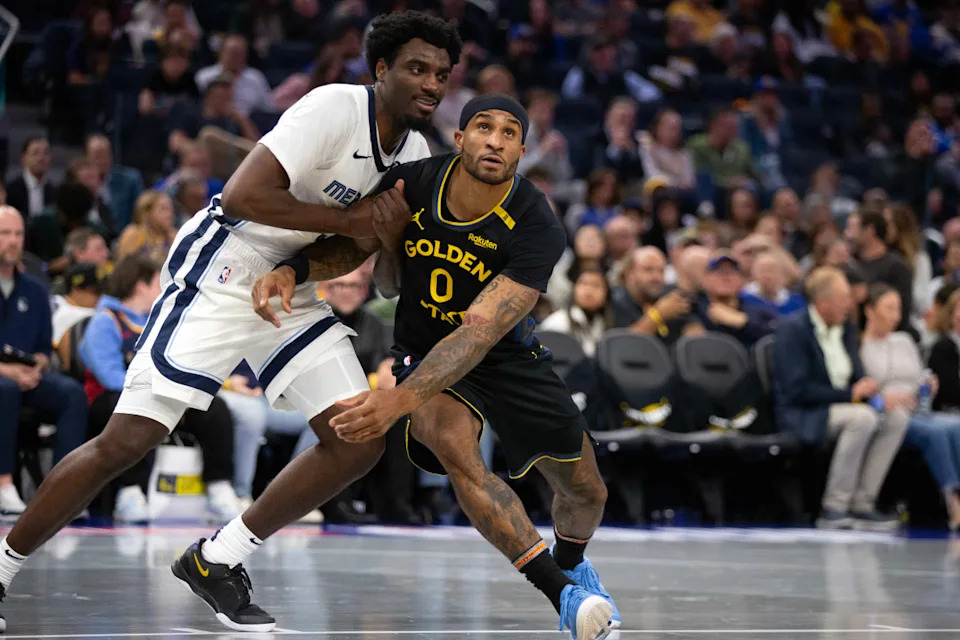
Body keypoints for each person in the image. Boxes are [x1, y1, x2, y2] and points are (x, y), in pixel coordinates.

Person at [0, 11, 462, 633]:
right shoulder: (332, 108)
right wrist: (353, 223)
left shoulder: (414, 153)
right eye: (416, 68)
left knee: (358, 437)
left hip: (290, 278)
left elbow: (357, 249)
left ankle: (217, 559)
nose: (431, 82)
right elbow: (243, 196)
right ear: (381, 70)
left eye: (440, 72)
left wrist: (305, 271)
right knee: (128, 440)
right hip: (228, 260)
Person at [252, 95, 620, 639]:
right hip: (423, 351)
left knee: (587, 491)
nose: (494, 140)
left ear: (522, 150)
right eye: (482, 127)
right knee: (456, 449)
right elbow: (356, 252)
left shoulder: (537, 222)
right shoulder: (412, 183)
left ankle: (570, 563)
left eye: (509, 133)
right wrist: (296, 268)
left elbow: (479, 330)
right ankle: (561, 593)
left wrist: (399, 399)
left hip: (506, 355)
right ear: (460, 138)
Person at [80, 255, 240, 523]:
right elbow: (110, 376)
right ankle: (129, 493)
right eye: (159, 281)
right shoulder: (106, 321)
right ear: (139, 286)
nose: (166, 286)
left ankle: (218, 487)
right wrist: (164, 391)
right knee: (132, 407)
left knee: (214, 405)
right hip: (110, 401)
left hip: (163, 395)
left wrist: (182, 391)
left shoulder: (163, 319)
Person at [773, 267, 907, 531]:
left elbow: (855, 376)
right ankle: (834, 508)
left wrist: (873, 393)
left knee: (896, 418)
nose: (850, 303)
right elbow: (796, 390)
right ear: (823, 303)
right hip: (805, 412)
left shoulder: (845, 327)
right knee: (862, 418)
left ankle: (862, 504)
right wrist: (850, 394)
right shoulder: (793, 330)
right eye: (843, 298)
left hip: (843, 406)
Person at [0, 206, 89, 521]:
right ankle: (4, 484)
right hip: (4, 379)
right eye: (5, 234)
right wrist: (8, 371)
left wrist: (36, 366)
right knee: (5, 389)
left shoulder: (36, 290)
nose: (13, 241)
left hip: (27, 376)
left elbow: (42, 348)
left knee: (72, 393)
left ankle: (62, 490)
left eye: (18, 234)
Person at [861, 284, 960, 530]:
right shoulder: (861, 345)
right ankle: (952, 501)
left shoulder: (905, 340)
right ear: (870, 311)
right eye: (889, 308)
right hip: (890, 413)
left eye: (898, 309)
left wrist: (928, 384)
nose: (895, 315)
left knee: (956, 425)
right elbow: (865, 385)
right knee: (936, 434)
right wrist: (885, 397)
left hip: (919, 407)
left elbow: (918, 376)